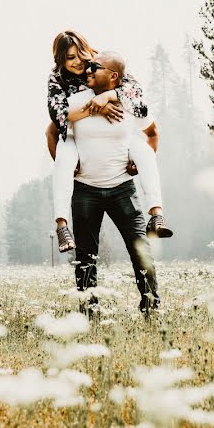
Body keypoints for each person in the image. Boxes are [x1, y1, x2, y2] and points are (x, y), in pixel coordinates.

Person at [44, 30, 172, 254]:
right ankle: (62, 226)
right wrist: (96, 108)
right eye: (69, 58)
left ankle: (157, 214)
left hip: (118, 142)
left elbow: (136, 95)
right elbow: (57, 117)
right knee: (64, 157)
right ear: (61, 61)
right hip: (79, 139)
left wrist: (109, 96)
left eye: (80, 54)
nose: (78, 62)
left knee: (143, 152)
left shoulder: (102, 62)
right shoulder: (58, 78)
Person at [65, 50, 160, 314]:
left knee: (140, 248)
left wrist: (138, 165)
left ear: (114, 76)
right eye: (89, 66)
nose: (88, 70)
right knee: (85, 256)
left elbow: (153, 134)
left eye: (96, 67)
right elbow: (53, 129)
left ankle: (151, 306)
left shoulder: (131, 102)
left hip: (122, 189)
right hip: (85, 190)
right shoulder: (77, 99)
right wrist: (65, 165)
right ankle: (88, 312)